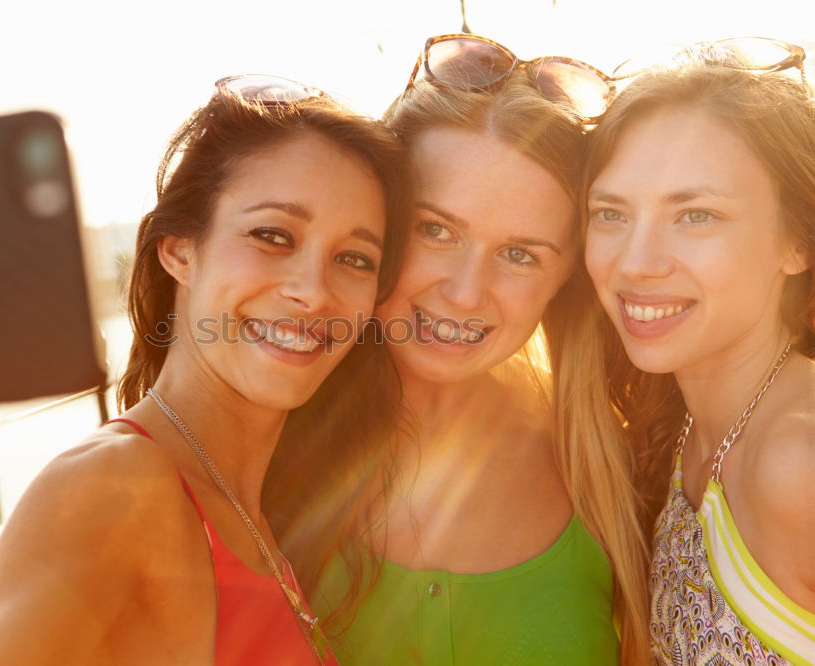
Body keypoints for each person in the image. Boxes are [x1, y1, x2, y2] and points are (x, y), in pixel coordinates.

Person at [0, 74, 412, 666]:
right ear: (179, 250)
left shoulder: (247, 507)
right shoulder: (113, 489)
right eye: (272, 235)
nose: (314, 292)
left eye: (354, 258)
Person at [266, 35, 651, 664]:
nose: (467, 293)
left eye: (520, 254)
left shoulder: (612, 467)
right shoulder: (261, 444)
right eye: (436, 230)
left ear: (565, 281)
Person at [579, 39, 815, 664]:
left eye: (696, 216)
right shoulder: (682, 426)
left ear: (798, 243)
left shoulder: (799, 462)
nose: (635, 262)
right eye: (610, 213)